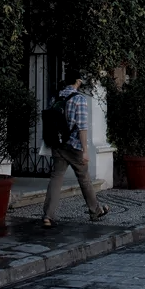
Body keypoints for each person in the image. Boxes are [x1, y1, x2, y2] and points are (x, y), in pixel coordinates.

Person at [42, 78, 109, 227]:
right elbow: (82, 127)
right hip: (74, 146)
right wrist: (85, 150)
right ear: (78, 81)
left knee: (56, 178)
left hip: (58, 144)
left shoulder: (56, 97)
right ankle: (95, 210)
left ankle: (48, 216)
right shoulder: (79, 99)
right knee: (84, 178)